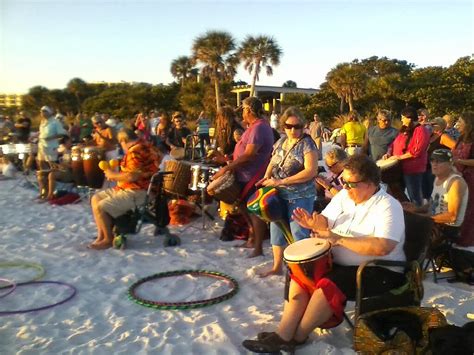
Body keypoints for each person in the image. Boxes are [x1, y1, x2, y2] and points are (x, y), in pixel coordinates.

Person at [242, 154, 406, 353]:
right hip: (341, 262)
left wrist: (338, 239)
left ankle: (297, 337)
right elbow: (325, 221)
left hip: (379, 269)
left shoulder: (388, 206)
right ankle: (284, 333)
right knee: (301, 271)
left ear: (370, 183)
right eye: (343, 181)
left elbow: (383, 247)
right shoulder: (345, 196)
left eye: (350, 183)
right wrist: (315, 222)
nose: (344, 187)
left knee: (329, 283)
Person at [257, 107, 319, 277]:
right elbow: (273, 161)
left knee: (298, 232)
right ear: (283, 126)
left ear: (303, 125)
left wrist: (281, 181)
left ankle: (301, 272)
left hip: (299, 195)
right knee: (276, 231)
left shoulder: (307, 144)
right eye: (289, 126)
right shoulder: (282, 141)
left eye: (297, 126)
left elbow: (311, 171)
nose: (293, 130)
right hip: (279, 194)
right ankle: (277, 266)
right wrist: (266, 177)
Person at [212, 97, 274, 257]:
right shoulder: (253, 127)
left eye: (243, 111)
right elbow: (242, 152)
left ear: (249, 110)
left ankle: (258, 248)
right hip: (244, 175)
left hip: (251, 176)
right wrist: (225, 159)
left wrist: (225, 168)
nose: (242, 114)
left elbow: (249, 155)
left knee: (254, 212)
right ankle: (252, 239)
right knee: (243, 208)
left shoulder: (259, 128)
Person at [89, 128, 160, 250]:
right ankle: (103, 234)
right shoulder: (144, 145)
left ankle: (108, 239)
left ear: (123, 140)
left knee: (102, 206)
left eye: (120, 143)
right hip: (132, 188)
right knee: (96, 198)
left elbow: (133, 175)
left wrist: (112, 175)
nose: (121, 146)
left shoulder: (135, 151)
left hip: (138, 191)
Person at [403, 149, 468, 234]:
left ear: (450, 164)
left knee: (407, 234)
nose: (434, 165)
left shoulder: (455, 183)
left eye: (439, 162)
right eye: (432, 161)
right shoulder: (438, 177)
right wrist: (416, 209)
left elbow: (452, 217)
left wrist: (420, 216)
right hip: (435, 221)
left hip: (447, 228)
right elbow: (433, 203)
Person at [384, 106, 430, 206]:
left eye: (403, 117)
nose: (401, 120)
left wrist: (398, 157)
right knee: (398, 194)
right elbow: (394, 143)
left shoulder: (421, 130)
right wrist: (388, 153)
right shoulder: (405, 130)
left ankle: (418, 217)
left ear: (409, 118)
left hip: (413, 169)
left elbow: (417, 150)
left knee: (414, 196)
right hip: (401, 168)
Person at [452, 112, 474, 247]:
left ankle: (467, 239)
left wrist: (460, 161)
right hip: (458, 178)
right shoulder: (460, 138)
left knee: (469, 209)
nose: (457, 124)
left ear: (468, 124)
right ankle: (457, 236)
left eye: (460, 121)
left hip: (470, 179)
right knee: (459, 208)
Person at [421, 117, 456, 201]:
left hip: (435, 168)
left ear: (440, 126)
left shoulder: (443, 136)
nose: (431, 126)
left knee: (432, 192)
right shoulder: (431, 135)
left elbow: (456, 147)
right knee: (424, 192)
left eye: (433, 124)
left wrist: (446, 158)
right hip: (425, 167)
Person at [37, 136, 74, 201]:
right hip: (62, 171)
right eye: (69, 141)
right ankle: (43, 194)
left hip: (69, 173)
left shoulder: (73, 152)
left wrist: (64, 165)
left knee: (52, 174)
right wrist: (56, 165)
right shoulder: (63, 151)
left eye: (69, 141)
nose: (70, 143)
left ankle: (50, 195)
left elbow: (74, 167)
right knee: (41, 175)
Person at [37, 106, 68, 171]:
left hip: (51, 145)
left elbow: (62, 133)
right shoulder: (42, 122)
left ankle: (54, 176)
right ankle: (44, 177)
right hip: (42, 145)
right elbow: (41, 132)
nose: (42, 113)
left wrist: (51, 137)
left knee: (52, 164)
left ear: (49, 113)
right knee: (41, 162)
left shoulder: (55, 122)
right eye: (41, 112)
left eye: (44, 111)